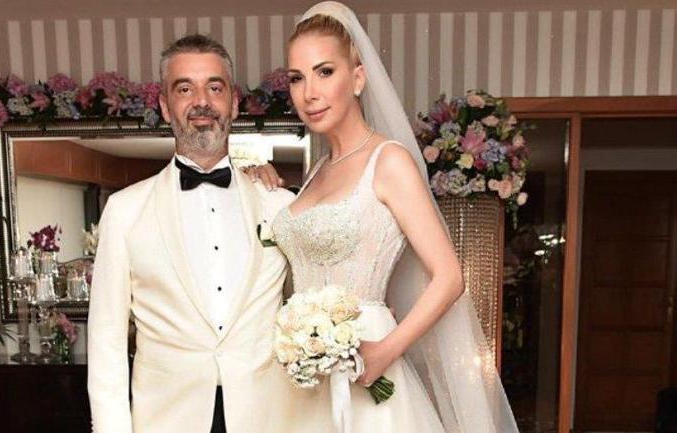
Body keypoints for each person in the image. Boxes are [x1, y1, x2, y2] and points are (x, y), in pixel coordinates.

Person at [271, 2, 520, 432]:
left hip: (368, 365)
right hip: (306, 380)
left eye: (325, 72)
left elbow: (449, 277)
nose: (309, 92)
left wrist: (387, 349)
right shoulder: (315, 173)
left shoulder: (388, 161)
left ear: (358, 78)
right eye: (297, 78)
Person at [87, 34, 294, 433]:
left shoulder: (280, 206)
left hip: (267, 417)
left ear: (234, 102)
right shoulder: (125, 210)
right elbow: (107, 338)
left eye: (215, 88)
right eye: (185, 89)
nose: (202, 102)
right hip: (166, 420)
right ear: (165, 105)